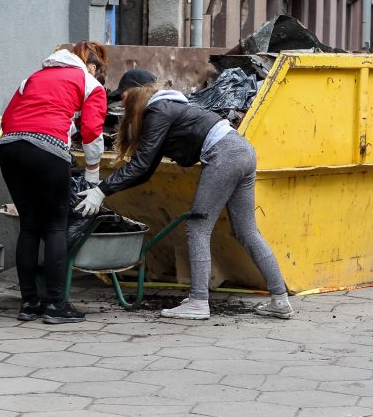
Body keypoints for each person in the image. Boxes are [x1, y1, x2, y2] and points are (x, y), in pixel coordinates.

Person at [75, 71, 292, 321]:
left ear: (136, 92)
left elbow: (141, 165)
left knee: (198, 227)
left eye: (123, 97)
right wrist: (107, 189)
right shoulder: (171, 107)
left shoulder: (157, 110)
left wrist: (100, 191)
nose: (122, 105)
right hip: (242, 150)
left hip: (225, 155)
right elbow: (146, 170)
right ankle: (280, 300)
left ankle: (199, 302)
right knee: (247, 231)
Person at [0, 41, 108, 324]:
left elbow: (9, 118)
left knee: (30, 226)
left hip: (9, 148)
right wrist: (93, 175)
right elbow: (93, 131)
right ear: (92, 66)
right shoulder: (89, 82)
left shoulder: (33, 77)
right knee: (55, 226)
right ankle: (56, 305)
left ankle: (29, 304)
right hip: (47, 150)